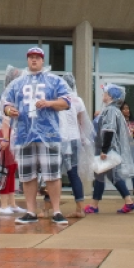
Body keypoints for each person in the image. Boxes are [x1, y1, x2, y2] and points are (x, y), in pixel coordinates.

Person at [0, 46, 73, 225]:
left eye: (37, 57)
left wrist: (49, 103)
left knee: (52, 174)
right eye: (31, 57)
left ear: (42, 60)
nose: (34, 60)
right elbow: (5, 104)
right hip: (24, 134)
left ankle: (56, 210)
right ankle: (31, 211)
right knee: (27, 175)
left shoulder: (54, 80)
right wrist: (10, 110)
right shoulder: (17, 83)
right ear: (27, 60)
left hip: (49, 134)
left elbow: (67, 102)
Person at [86, 84, 134, 214]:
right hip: (107, 148)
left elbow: (109, 130)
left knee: (106, 175)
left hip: (107, 148)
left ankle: (96, 204)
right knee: (106, 175)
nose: (103, 95)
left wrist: (104, 149)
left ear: (111, 96)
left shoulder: (110, 111)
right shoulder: (112, 110)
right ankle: (126, 201)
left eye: (105, 93)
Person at [58, 73, 94, 215]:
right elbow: (82, 122)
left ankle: (48, 208)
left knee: (54, 174)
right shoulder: (78, 101)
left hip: (59, 139)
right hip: (74, 139)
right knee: (73, 173)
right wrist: (84, 139)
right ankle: (80, 208)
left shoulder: (57, 99)